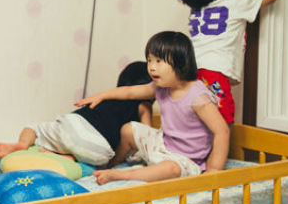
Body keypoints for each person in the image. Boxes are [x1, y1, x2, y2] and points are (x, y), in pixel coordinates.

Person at [75, 31, 230, 185]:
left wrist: (213, 169)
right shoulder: (161, 87)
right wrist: (101, 96)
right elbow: (130, 92)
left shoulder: (198, 97)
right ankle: (112, 165)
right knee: (128, 129)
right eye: (149, 60)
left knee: (170, 169)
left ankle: (123, 175)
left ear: (181, 63)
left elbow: (221, 130)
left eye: (158, 61)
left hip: (185, 159)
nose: (152, 67)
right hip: (162, 144)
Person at [169, 0, 281, 123]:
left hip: (191, 71)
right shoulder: (235, 2)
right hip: (214, 72)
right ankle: (222, 151)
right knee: (222, 120)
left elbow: (229, 9)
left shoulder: (196, 9)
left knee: (201, 119)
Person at [0, 61, 153, 166]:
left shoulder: (109, 96)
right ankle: (73, 158)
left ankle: (23, 144)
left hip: (74, 126)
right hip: (100, 149)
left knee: (33, 128)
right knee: (100, 158)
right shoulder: (143, 106)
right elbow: (146, 138)